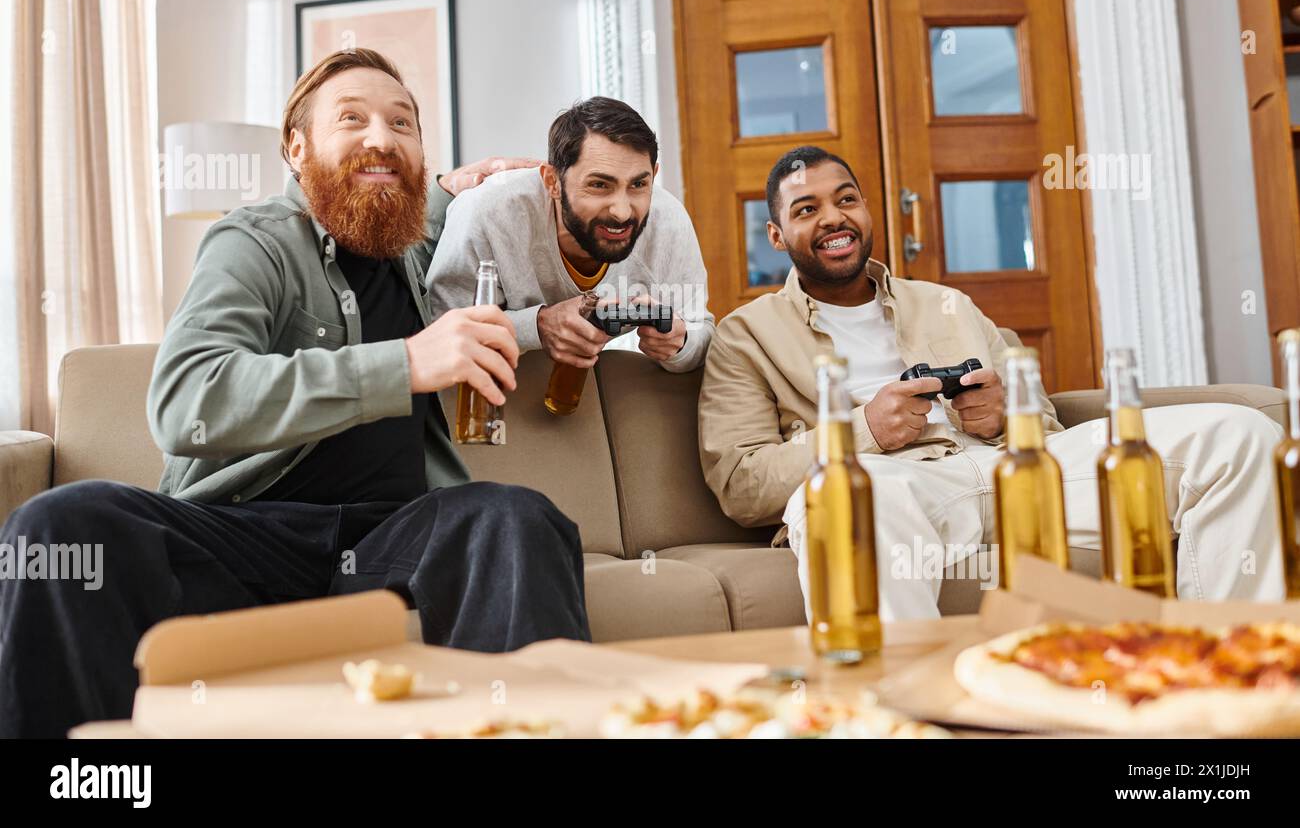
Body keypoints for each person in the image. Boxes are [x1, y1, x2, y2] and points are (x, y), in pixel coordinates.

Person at [0, 48, 591, 738]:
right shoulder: (253, 242)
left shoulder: (425, 251)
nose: (382, 136)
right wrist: (404, 362)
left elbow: (461, 224)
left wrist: (472, 193)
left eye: (403, 124)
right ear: (297, 147)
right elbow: (188, 400)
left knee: (516, 518)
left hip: (390, 535)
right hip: (247, 534)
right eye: (353, 119)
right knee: (62, 526)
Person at [698, 145, 1284, 621]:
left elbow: (1047, 425)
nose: (833, 218)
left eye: (846, 199)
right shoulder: (745, 335)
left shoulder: (948, 304)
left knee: (1238, 434)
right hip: (894, 487)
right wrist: (863, 432)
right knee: (848, 501)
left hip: (1014, 474)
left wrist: (1008, 415)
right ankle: (913, 713)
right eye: (806, 210)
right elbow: (741, 486)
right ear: (776, 236)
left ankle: (1232, 677)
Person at [426, 97, 713, 375]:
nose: (623, 212)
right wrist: (537, 326)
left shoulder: (668, 222)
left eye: (639, 184)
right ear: (552, 182)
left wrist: (681, 343)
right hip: (498, 388)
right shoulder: (487, 213)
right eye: (599, 185)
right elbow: (440, 332)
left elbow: (702, 329)